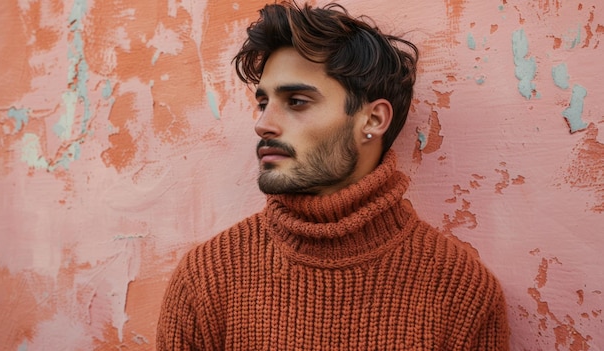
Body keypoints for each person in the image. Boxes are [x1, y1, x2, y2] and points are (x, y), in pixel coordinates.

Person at [157, 1, 510, 350]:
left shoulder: (461, 293)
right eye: (263, 103)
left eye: (296, 101)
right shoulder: (207, 279)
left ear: (372, 120)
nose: (263, 124)